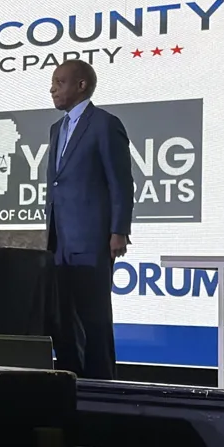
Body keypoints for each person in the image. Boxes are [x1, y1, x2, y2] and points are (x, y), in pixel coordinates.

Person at [46, 59, 134, 380]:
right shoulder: (57, 129)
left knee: (93, 319)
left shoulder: (104, 124)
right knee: (62, 320)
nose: (52, 88)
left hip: (92, 239)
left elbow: (120, 182)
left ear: (81, 85)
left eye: (59, 81)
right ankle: (70, 382)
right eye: (53, 82)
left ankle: (103, 389)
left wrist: (118, 231)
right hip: (58, 241)